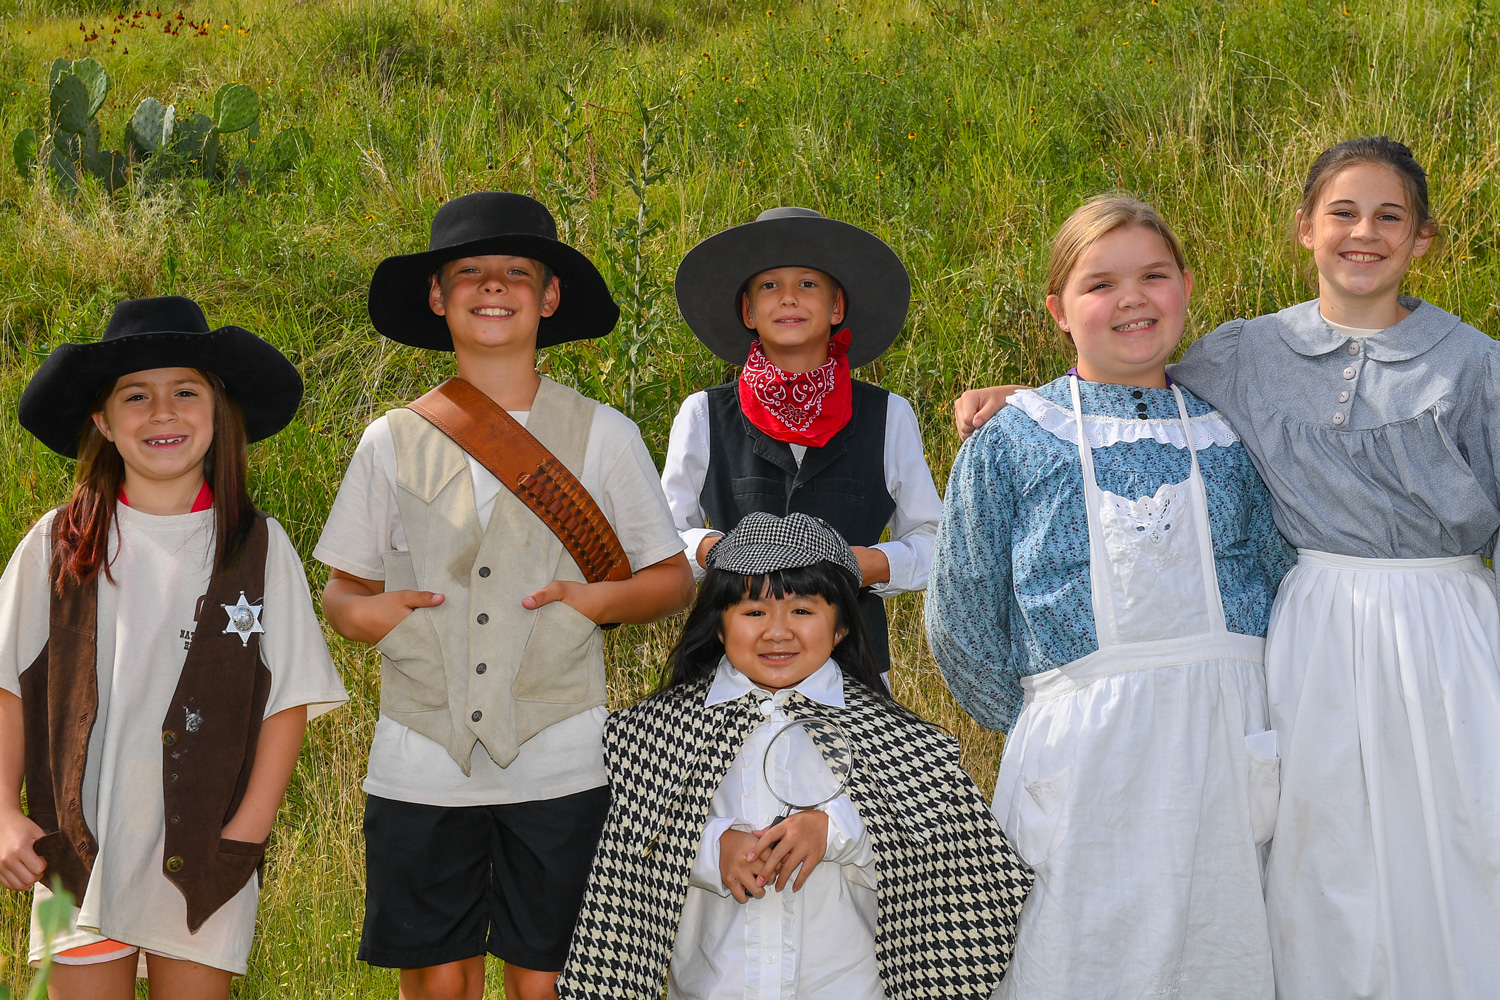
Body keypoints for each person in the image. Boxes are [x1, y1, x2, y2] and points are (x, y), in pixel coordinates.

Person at [954, 140, 1500, 1000]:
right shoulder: (1249, 354)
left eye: (1389, 216)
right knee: (1320, 867)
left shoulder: (1472, 363)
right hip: (1287, 648)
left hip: (1431, 639)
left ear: (1425, 238)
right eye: (1343, 215)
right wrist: (1018, 397)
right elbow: (1119, 376)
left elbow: (1136, 355)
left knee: (1458, 842)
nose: (1365, 234)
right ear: (1304, 232)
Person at [315, 192, 694, 1000]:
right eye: (470, 273)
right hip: (420, 758)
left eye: (517, 272)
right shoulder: (390, 439)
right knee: (439, 981)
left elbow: (669, 579)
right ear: (437, 297)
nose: (494, 287)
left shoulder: (605, 434)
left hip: (562, 757)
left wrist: (595, 603)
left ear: (550, 296)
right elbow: (343, 592)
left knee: (547, 979)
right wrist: (366, 616)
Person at [927, 196, 1293, 998]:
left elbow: (1280, 570)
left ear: (1186, 288)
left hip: (1225, 740)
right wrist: (1050, 713)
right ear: (1060, 311)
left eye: (1153, 276)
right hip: (1084, 753)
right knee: (1076, 953)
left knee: (1223, 951)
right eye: (1100, 284)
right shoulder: (1015, 437)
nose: (1131, 299)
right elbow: (961, 613)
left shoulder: (1234, 429)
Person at [0, 295, 348, 998]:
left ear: (219, 410)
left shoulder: (257, 548)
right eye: (136, 395)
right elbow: (9, 683)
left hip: (204, 864)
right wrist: (4, 810)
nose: (163, 412)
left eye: (185, 391)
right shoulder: (57, 544)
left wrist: (247, 832)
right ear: (101, 419)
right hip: (75, 858)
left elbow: (288, 701)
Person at [556, 511, 1030, 1000]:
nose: (777, 631)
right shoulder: (654, 733)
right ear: (719, 626)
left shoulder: (896, 738)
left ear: (841, 626)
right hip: (715, 987)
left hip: (845, 986)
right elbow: (620, 856)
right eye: (754, 612)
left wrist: (836, 830)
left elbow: (953, 863)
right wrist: (709, 849)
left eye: (802, 611)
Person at [662, 207, 942, 674]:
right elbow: (662, 534)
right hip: (730, 667)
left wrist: (864, 564)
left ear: (837, 307)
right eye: (769, 285)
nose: (788, 298)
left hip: (854, 666)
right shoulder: (704, 414)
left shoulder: (888, 414)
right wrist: (718, 552)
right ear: (748, 311)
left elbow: (935, 541)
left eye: (808, 284)